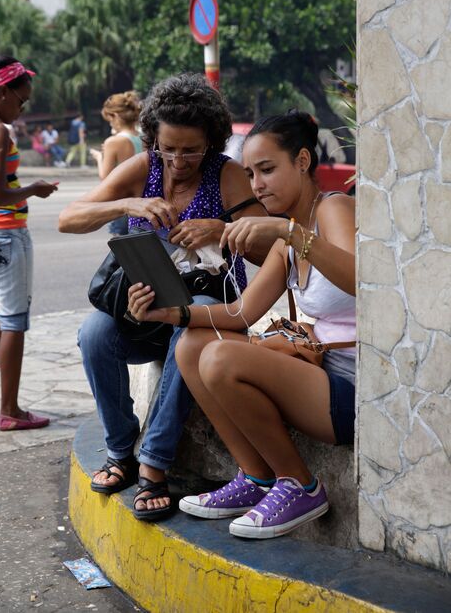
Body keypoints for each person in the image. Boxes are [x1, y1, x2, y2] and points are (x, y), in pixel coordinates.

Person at [127, 109, 356, 537]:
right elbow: (241, 312)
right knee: (193, 343)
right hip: (316, 370)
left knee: (219, 359)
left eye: (267, 170)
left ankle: (301, 485)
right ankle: (256, 477)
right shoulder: (288, 230)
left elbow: (364, 279)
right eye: (250, 173)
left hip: (354, 389)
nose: (256, 185)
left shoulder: (333, 209)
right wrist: (171, 313)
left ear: (302, 162)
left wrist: (289, 235)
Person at [58, 73, 270, 520]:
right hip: (141, 310)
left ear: (211, 141)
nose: (178, 159)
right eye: (167, 147)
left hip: (201, 313)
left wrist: (222, 229)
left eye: (190, 149)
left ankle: (153, 465)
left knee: (201, 317)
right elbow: (69, 218)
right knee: (94, 332)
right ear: (153, 138)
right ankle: (121, 452)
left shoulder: (226, 175)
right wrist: (125, 206)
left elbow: (271, 246)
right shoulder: (143, 167)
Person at [0, 54, 59, 429]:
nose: (21, 109)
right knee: (15, 320)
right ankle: (11, 411)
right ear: (1, 92)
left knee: (6, 313)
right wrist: (34, 188)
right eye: (21, 100)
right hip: (3, 235)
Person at [90, 91, 143, 235]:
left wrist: (99, 158)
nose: (111, 124)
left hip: (123, 205)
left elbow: (105, 178)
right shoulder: (145, 138)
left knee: (123, 253)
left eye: (110, 120)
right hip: (144, 204)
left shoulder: (113, 142)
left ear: (116, 116)